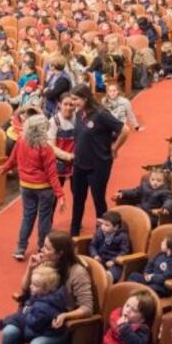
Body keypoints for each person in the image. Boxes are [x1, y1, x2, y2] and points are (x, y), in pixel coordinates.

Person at [0, 114, 64, 261]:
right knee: (44, 219)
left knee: (27, 217)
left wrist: (5, 168)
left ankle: (20, 248)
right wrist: (60, 195)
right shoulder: (46, 148)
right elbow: (52, 174)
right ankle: (42, 247)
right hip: (44, 188)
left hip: (26, 186)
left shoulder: (21, 141)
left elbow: (13, 159)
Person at [68, 84, 128, 237]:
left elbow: (125, 130)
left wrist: (115, 148)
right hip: (80, 164)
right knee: (78, 200)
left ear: (85, 98)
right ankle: (74, 233)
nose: (73, 102)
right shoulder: (79, 113)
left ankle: (102, 234)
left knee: (98, 200)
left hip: (98, 165)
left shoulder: (101, 114)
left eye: (76, 99)